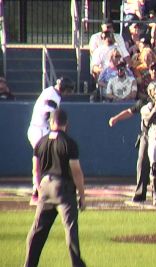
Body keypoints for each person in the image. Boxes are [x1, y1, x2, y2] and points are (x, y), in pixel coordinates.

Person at [24, 109, 86, 267]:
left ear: (51, 123)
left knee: (37, 231)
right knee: (70, 230)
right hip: (63, 189)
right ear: (66, 123)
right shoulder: (69, 143)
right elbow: (76, 171)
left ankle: (29, 264)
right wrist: (82, 195)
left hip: (45, 186)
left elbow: (35, 170)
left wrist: (39, 188)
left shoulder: (41, 142)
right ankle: (76, 264)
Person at [27, 77, 74, 205]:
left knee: (45, 162)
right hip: (39, 130)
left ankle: (41, 191)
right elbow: (51, 117)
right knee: (42, 162)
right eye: (68, 91)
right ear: (64, 89)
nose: (68, 94)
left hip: (43, 130)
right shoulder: (51, 95)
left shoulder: (53, 93)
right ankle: (36, 193)